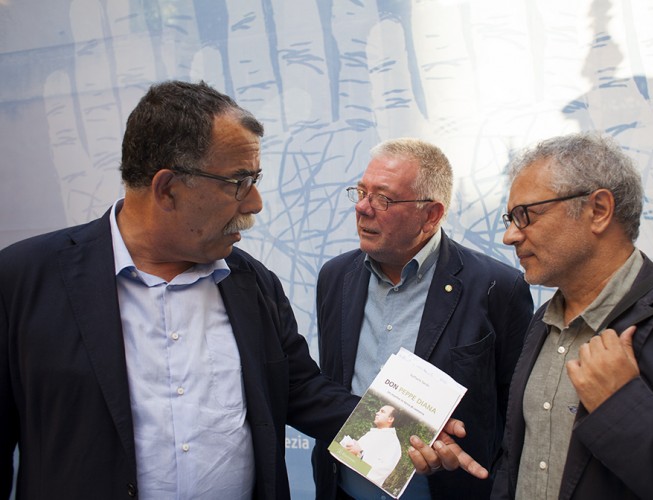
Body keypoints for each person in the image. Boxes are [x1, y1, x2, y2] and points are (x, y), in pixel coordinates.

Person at [0, 81, 476, 500]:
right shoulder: (26, 280)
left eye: (256, 180)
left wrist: (413, 428)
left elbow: (303, 391)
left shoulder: (250, 283)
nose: (256, 202)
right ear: (167, 189)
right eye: (238, 182)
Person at [490, 132, 653, 499]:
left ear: (598, 210)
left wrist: (624, 412)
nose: (509, 236)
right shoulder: (542, 323)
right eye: (510, 217)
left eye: (526, 215)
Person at [312, 137, 534, 499]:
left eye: (383, 198)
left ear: (431, 215)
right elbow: (331, 384)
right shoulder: (336, 277)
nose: (363, 208)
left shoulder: (496, 287)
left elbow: (516, 414)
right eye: (361, 192)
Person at [343, 405, 403, 487]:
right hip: (344, 479)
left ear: (391, 419)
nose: (377, 413)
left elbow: (380, 472)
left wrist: (360, 453)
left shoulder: (393, 443)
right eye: (379, 410)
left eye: (382, 411)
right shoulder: (372, 433)